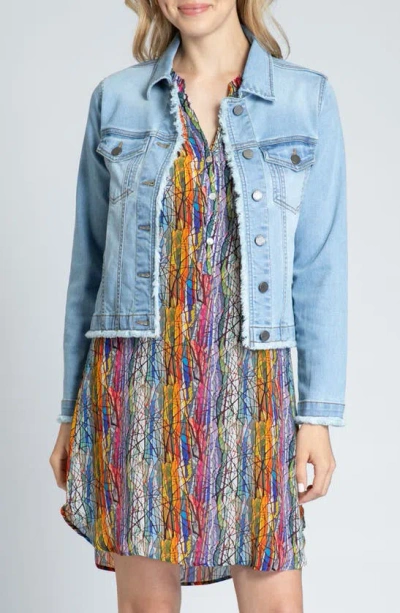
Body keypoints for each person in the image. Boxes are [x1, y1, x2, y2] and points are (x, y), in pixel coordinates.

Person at [49, 0, 347, 611]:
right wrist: (70, 412)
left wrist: (316, 415)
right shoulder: (117, 101)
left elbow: (319, 269)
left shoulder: (306, 100)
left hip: (254, 387)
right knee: (146, 607)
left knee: (275, 600)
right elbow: (90, 269)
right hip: (136, 384)